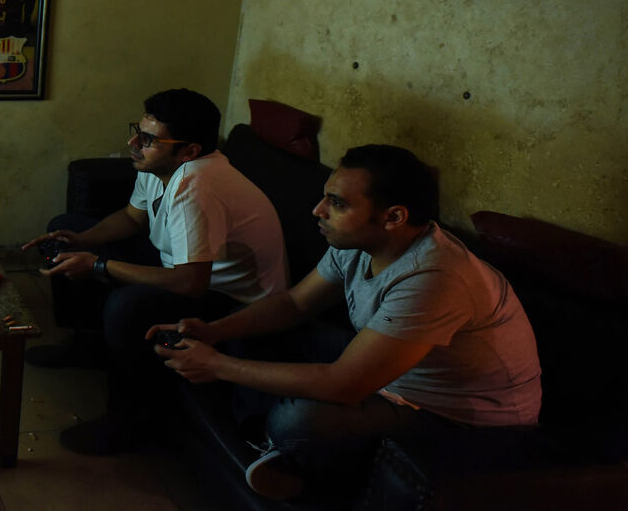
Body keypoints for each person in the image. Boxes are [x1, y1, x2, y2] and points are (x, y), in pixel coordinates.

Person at [149, 145, 541, 500]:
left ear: (393, 217)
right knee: (261, 329)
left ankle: (296, 459)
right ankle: (277, 447)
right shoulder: (357, 244)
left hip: (459, 417)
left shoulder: (435, 278)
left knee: (297, 419)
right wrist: (215, 329)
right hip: (390, 375)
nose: (317, 210)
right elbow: (293, 304)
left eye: (336, 203)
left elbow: (345, 383)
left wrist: (216, 365)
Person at [21, 89, 288, 450]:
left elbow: (192, 283)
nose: (133, 143)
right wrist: (83, 240)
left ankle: (128, 421)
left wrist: (100, 265)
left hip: (233, 301)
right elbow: (133, 218)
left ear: (189, 151)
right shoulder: (157, 164)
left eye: (147, 139)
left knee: (127, 306)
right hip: (188, 269)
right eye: (137, 131)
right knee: (70, 233)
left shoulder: (197, 185)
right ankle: (87, 345)